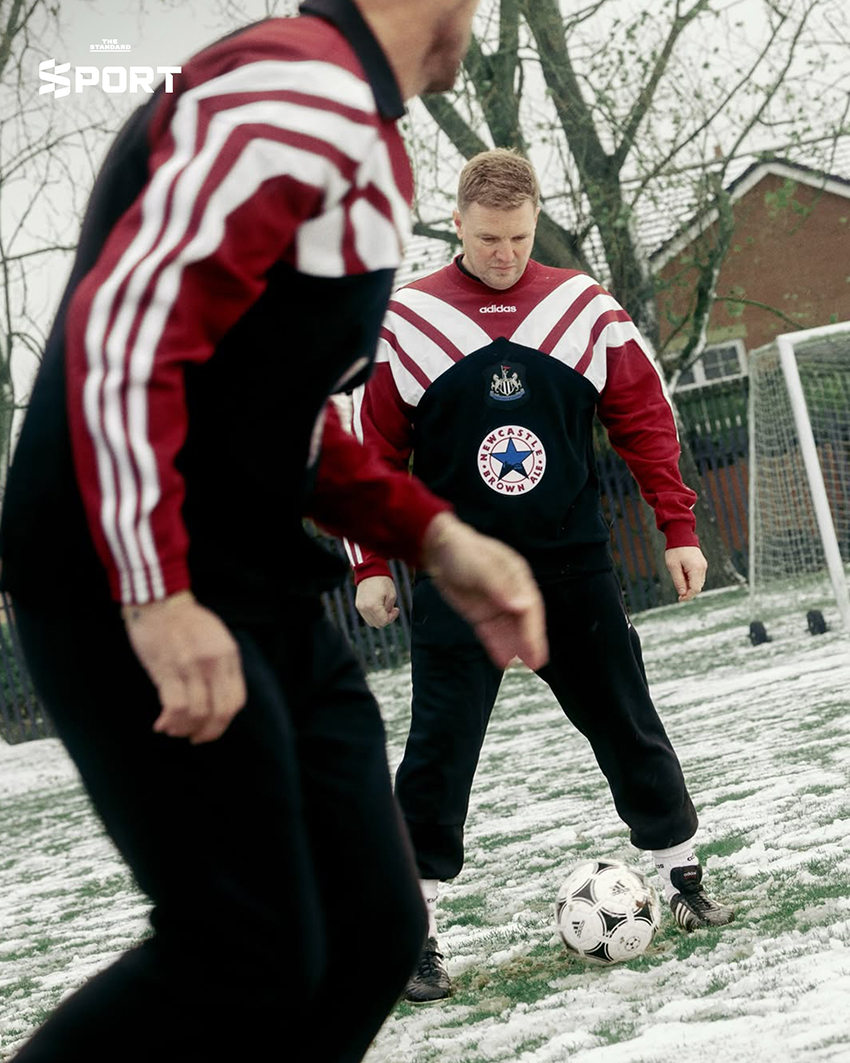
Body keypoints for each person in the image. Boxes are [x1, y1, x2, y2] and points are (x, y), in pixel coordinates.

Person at [0, 9, 549, 1062]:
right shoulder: (294, 84)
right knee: (243, 946)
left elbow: (278, 419)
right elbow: (128, 328)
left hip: (262, 582)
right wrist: (153, 591)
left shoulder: (370, 141)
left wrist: (436, 536)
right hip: (130, 567)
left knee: (373, 931)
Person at [350, 147, 735, 1003]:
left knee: (628, 721)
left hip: (572, 566)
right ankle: (414, 938)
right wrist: (369, 561)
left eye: (519, 237)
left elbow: (645, 419)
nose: (504, 254)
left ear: (535, 221)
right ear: (457, 223)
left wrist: (679, 527)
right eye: (488, 238)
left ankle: (680, 877)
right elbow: (367, 451)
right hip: (459, 574)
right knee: (439, 753)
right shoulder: (408, 320)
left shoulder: (581, 307)